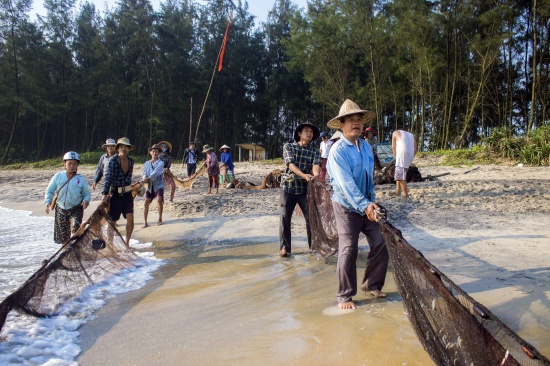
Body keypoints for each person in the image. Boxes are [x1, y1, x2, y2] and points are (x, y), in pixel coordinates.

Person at [326, 99, 389, 310]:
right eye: (351, 120)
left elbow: (369, 179)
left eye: (359, 120)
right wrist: (364, 206)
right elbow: (345, 185)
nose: (356, 123)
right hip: (346, 206)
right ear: (341, 125)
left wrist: (372, 203)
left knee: (381, 242)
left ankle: (373, 284)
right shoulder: (337, 151)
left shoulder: (366, 147)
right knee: (349, 248)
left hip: (366, 205)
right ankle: (344, 295)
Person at [279, 123, 321, 257]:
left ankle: (313, 246)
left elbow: (316, 165)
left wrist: (316, 175)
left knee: (310, 218)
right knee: (285, 217)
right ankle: (285, 247)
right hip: (288, 188)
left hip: (304, 190)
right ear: (299, 133)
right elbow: (290, 164)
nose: (309, 133)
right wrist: (304, 175)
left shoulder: (314, 151)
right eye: (306, 131)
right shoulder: (288, 146)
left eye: (311, 132)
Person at [44, 151, 91, 244]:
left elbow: (86, 194)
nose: (72, 166)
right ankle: (66, 252)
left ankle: (76, 250)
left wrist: (86, 201)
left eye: (74, 164)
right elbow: (49, 191)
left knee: (75, 231)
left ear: (77, 165)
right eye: (69, 163)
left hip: (76, 208)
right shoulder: (58, 176)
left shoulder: (80, 179)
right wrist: (47, 202)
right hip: (61, 208)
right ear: (64, 164)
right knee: (63, 236)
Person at [102, 137, 135, 246]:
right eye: (121, 146)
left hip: (127, 194)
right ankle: (110, 244)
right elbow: (108, 178)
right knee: (112, 221)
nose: (124, 149)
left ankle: (127, 244)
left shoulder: (131, 161)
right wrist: (104, 193)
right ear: (118, 148)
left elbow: (129, 178)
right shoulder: (113, 161)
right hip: (115, 194)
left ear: (129, 149)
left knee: (130, 217)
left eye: (126, 147)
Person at [142, 144, 165, 228]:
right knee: (146, 202)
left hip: (158, 185)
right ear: (150, 152)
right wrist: (144, 178)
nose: (155, 153)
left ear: (159, 153)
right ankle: (145, 221)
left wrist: (149, 178)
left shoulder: (161, 163)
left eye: (156, 151)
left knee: (159, 200)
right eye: (153, 151)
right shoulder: (146, 163)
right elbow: (144, 173)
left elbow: (156, 172)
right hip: (149, 185)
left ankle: (160, 218)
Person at [392, 129, 417, 197]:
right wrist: (411, 156)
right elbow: (415, 147)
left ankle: (406, 194)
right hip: (410, 154)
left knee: (400, 176)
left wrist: (396, 158)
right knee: (400, 172)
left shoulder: (395, 132)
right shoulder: (411, 135)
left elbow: (393, 147)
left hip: (402, 153)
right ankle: (397, 191)